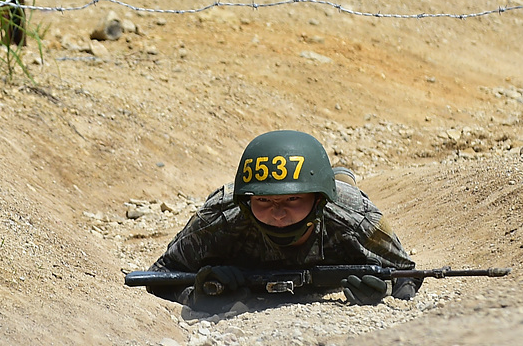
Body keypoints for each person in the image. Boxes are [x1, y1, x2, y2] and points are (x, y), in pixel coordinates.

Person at [145, 130, 421, 313]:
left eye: (292, 200)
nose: (277, 213)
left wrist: (380, 290)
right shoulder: (221, 216)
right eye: (264, 201)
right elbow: (159, 277)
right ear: (245, 200)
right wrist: (197, 296)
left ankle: (339, 179)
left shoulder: (355, 218)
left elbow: (405, 273)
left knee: (344, 187)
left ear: (319, 200)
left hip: (339, 201)